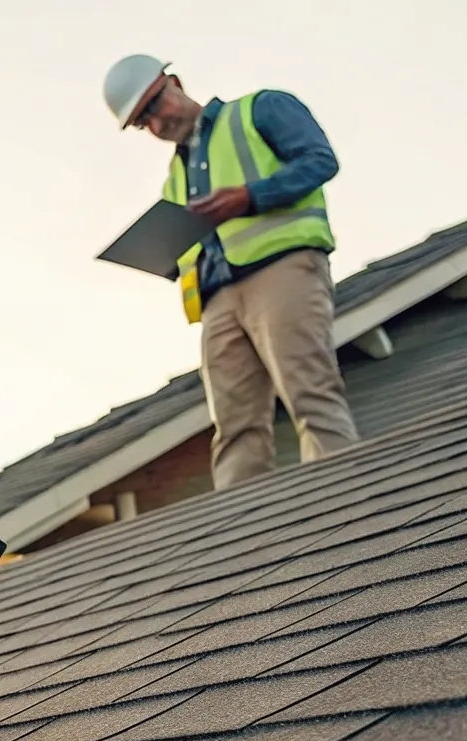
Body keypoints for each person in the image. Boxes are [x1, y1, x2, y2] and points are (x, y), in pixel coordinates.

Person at [103, 54, 360, 490]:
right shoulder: (174, 178)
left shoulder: (259, 110)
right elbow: (188, 250)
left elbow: (319, 160)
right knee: (234, 424)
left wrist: (249, 196)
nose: (155, 123)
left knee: (309, 391)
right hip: (218, 299)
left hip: (282, 270)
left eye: (153, 105)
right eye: (142, 121)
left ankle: (347, 504)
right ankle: (243, 539)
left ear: (175, 82)